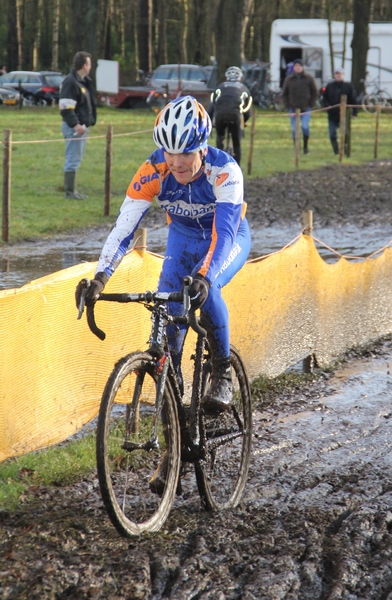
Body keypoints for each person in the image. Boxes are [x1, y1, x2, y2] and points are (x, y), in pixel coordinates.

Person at [75, 96, 251, 492]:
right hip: (182, 241)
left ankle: (222, 369)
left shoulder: (224, 171)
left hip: (226, 238)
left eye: (186, 153)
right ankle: (174, 450)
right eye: (170, 153)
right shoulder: (153, 169)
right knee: (167, 346)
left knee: (207, 290)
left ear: (202, 147)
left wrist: (205, 276)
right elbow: (124, 227)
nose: (177, 163)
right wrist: (101, 276)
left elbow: (223, 236)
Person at [59, 51, 96, 200]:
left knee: (76, 159)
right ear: (84, 65)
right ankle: (70, 192)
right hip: (75, 128)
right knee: (72, 159)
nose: (91, 66)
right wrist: (76, 125)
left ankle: (73, 191)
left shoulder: (83, 82)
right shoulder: (71, 82)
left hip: (82, 127)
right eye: (89, 63)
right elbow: (66, 108)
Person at [207, 66, 252, 167]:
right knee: (236, 142)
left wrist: (209, 121)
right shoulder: (244, 89)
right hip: (235, 116)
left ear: (226, 78)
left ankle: (217, 164)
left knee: (220, 137)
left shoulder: (220, 87)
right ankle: (237, 167)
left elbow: (212, 105)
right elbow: (247, 110)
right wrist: (244, 121)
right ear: (240, 78)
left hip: (220, 116)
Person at [282, 58, 318, 154]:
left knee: (305, 127)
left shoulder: (309, 78)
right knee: (294, 129)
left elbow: (314, 92)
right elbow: (284, 94)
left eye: (299, 66)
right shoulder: (289, 79)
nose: (298, 68)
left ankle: (305, 147)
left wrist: (311, 104)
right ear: (293, 67)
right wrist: (288, 106)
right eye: (296, 66)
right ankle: (296, 148)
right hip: (293, 109)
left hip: (306, 108)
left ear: (302, 67)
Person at [321, 67, 358, 155]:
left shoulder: (348, 86)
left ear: (343, 75)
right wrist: (327, 105)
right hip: (332, 115)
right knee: (332, 134)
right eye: (337, 74)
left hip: (345, 114)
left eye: (340, 74)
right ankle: (336, 150)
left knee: (345, 133)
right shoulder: (330, 86)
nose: (338, 75)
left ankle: (345, 148)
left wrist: (355, 113)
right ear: (334, 75)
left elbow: (354, 100)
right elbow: (324, 98)